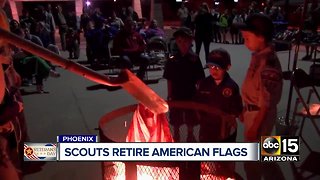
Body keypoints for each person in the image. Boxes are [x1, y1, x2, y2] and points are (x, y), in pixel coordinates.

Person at [237, 13, 284, 180]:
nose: (245, 42)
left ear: (261, 37)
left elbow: (266, 101)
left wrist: (255, 127)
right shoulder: (258, 57)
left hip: (260, 117)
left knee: (254, 162)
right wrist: (246, 108)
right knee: (264, 157)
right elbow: (256, 90)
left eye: (248, 38)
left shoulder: (267, 63)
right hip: (254, 112)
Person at [163, 27, 205, 142]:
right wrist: (169, 95)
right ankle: (176, 134)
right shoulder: (172, 59)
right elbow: (169, 79)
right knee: (176, 117)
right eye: (180, 41)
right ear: (176, 42)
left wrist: (200, 94)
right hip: (176, 93)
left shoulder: (195, 59)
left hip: (190, 93)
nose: (183, 44)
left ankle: (190, 134)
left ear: (191, 41)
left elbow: (200, 79)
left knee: (191, 116)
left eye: (185, 41)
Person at [195, 48, 242, 143]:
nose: (213, 70)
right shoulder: (204, 84)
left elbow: (237, 109)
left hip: (225, 130)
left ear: (228, 67)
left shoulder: (231, 87)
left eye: (217, 67)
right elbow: (198, 103)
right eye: (211, 66)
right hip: (206, 129)